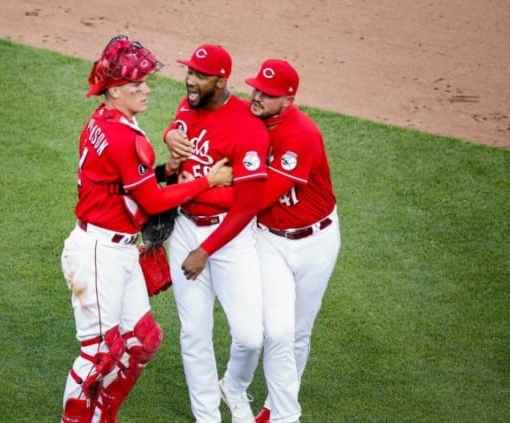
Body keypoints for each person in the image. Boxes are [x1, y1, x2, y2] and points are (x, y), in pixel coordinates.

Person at [59, 35, 232, 423]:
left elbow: (125, 186)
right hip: (99, 254)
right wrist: (208, 182)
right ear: (115, 90)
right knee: (99, 354)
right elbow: (152, 202)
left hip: (115, 248)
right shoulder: (125, 138)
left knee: (142, 341)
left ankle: (103, 414)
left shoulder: (103, 121)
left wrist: (166, 172)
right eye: (137, 85)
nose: (146, 89)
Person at [162, 44, 271, 423]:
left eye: (200, 75)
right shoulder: (187, 106)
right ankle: (206, 418)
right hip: (184, 230)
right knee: (194, 335)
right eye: (189, 72)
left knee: (249, 337)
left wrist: (205, 250)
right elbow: (179, 124)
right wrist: (169, 135)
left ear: (221, 80)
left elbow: (247, 204)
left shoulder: (248, 127)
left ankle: (234, 386)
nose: (190, 80)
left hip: (228, 240)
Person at [243, 59, 341, 423]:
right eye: (255, 88)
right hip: (269, 240)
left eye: (267, 94)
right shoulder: (247, 117)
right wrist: (174, 130)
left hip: (317, 240)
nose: (257, 96)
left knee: (298, 332)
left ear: (288, 99)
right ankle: (288, 416)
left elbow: (260, 196)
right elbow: (205, 103)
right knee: (278, 331)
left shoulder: (301, 133)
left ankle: (274, 406)